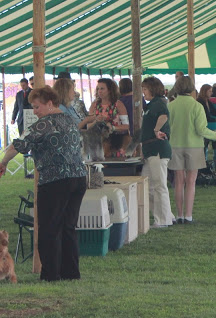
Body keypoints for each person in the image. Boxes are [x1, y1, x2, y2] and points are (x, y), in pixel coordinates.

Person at [0, 86, 86, 281]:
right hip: (78, 178)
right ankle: (71, 272)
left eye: (37, 107)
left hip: (55, 180)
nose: (35, 111)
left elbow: (18, 145)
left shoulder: (43, 124)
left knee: (49, 227)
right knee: (68, 227)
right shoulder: (70, 120)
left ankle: (51, 274)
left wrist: (3, 162)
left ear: (50, 104)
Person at [168, 76, 216, 224]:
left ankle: (179, 214)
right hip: (194, 146)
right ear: (192, 88)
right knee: (191, 182)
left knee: (179, 182)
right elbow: (201, 130)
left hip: (175, 145)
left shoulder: (170, 106)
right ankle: (188, 215)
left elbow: (167, 128)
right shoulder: (197, 106)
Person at [141, 76, 175, 228]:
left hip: (157, 149)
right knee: (147, 186)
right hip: (150, 150)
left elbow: (164, 116)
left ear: (153, 89)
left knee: (159, 185)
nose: (143, 92)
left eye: (145, 89)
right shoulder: (152, 105)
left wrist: (156, 129)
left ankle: (163, 220)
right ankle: (167, 215)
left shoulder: (158, 103)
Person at [79, 78, 130, 157]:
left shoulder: (118, 104)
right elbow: (88, 126)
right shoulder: (94, 105)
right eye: (98, 89)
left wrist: (113, 127)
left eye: (102, 89)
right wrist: (96, 121)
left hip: (115, 142)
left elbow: (126, 126)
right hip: (96, 143)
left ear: (109, 90)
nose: (99, 91)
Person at [196, 84, 216, 160]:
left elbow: (214, 111)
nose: (211, 93)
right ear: (204, 91)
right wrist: (215, 119)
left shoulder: (207, 101)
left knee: (210, 147)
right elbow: (206, 116)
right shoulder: (200, 101)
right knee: (204, 147)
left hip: (208, 126)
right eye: (209, 91)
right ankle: (203, 164)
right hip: (203, 127)